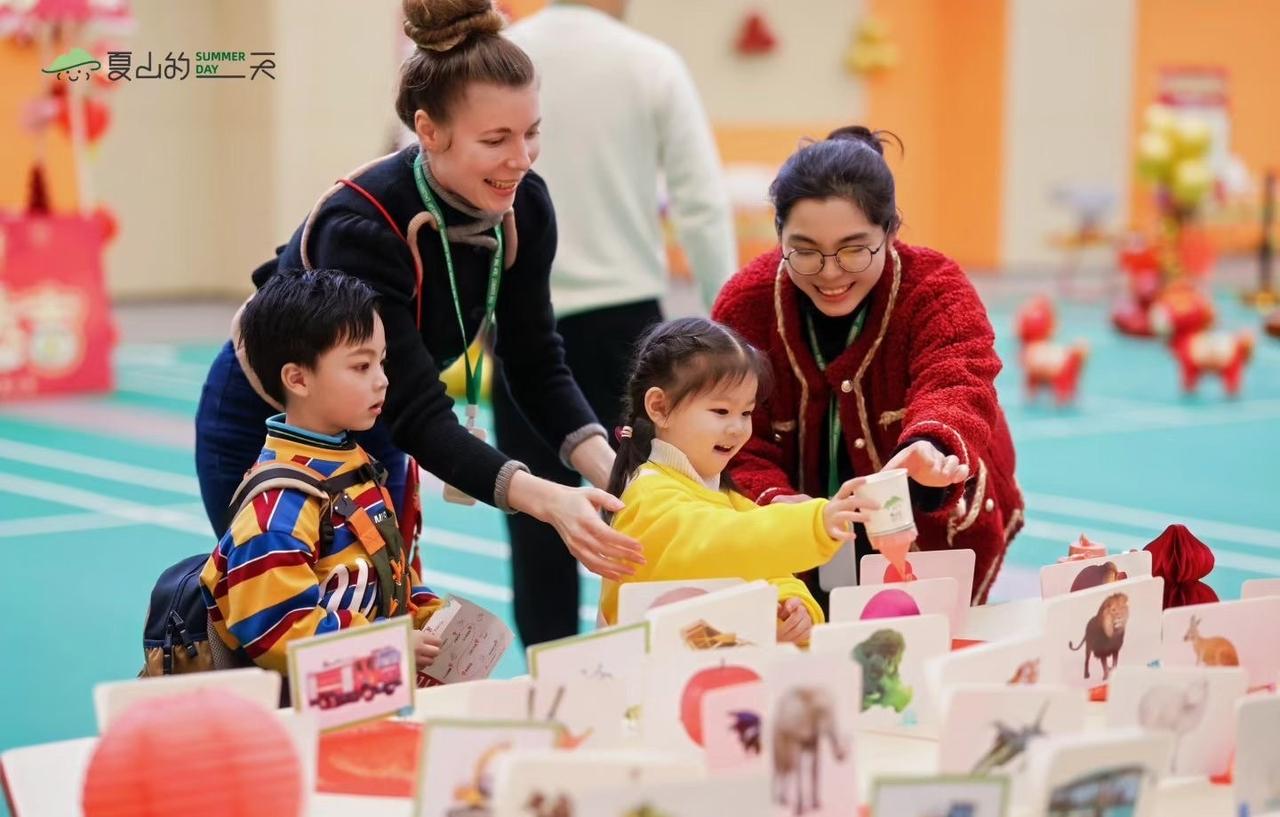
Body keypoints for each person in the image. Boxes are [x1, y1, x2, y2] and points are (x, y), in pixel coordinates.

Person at [194, 0, 645, 594]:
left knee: (382, 604)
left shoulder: (526, 208)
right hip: (269, 423)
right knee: (287, 613)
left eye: (532, 132)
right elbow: (417, 411)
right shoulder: (362, 227)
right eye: (496, 139)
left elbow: (535, 360)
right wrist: (546, 499)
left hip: (373, 414)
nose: (521, 160)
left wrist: (616, 474)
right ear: (429, 131)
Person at [500, 0, 736, 644]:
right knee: (649, 511)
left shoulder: (503, 58)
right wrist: (729, 331)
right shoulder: (651, 63)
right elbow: (700, 201)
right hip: (625, 328)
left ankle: (550, 672)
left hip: (519, 321)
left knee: (535, 520)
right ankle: (647, 658)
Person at [712, 127, 1024, 609]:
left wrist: (931, 445)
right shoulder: (746, 304)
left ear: (890, 232)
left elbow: (959, 377)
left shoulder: (935, 288)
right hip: (798, 534)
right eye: (805, 250)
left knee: (917, 635)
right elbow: (726, 427)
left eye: (855, 249)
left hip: (928, 530)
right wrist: (775, 500)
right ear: (779, 236)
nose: (830, 272)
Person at [199, 269, 444, 676]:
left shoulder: (354, 465)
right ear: (298, 379)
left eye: (381, 362)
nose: (383, 381)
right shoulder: (277, 511)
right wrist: (389, 644)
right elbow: (280, 634)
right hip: (308, 709)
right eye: (361, 366)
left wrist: (424, 613)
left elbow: (387, 566)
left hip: (368, 689)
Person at [598, 317, 881, 644]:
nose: (737, 428)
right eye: (721, 411)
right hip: (653, 672)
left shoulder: (729, 499)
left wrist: (792, 609)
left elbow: (770, 570)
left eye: (746, 413)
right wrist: (814, 523)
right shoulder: (648, 494)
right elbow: (722, 543)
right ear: (660, 407)